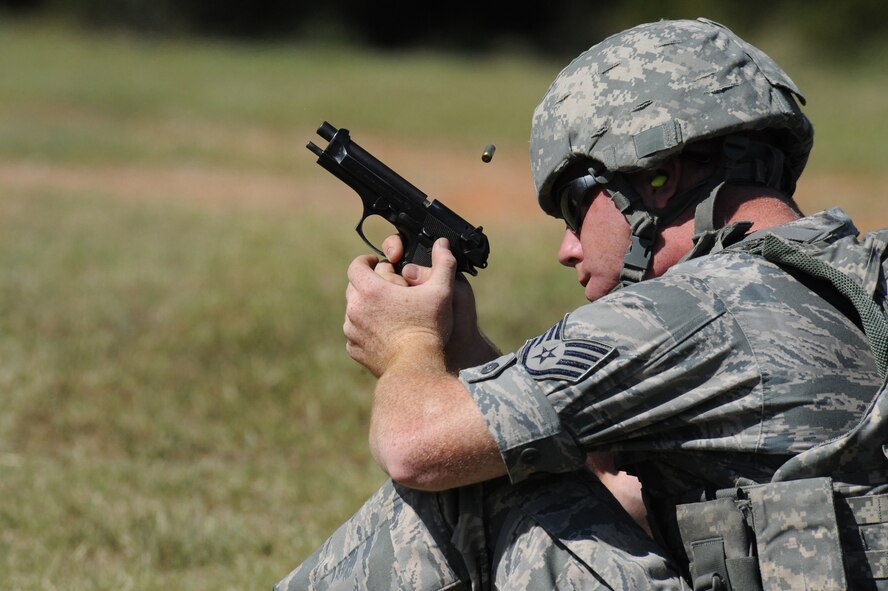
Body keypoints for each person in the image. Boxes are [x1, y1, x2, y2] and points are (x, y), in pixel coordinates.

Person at [276, 18, 888, 590]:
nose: (567, 248)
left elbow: (417, 446)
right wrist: (462, 343)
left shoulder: (684, 312)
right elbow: (618, 492)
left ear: (656, 179)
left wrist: (406, 344)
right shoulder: (858, 274)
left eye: (573, 207)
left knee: (469, 487)